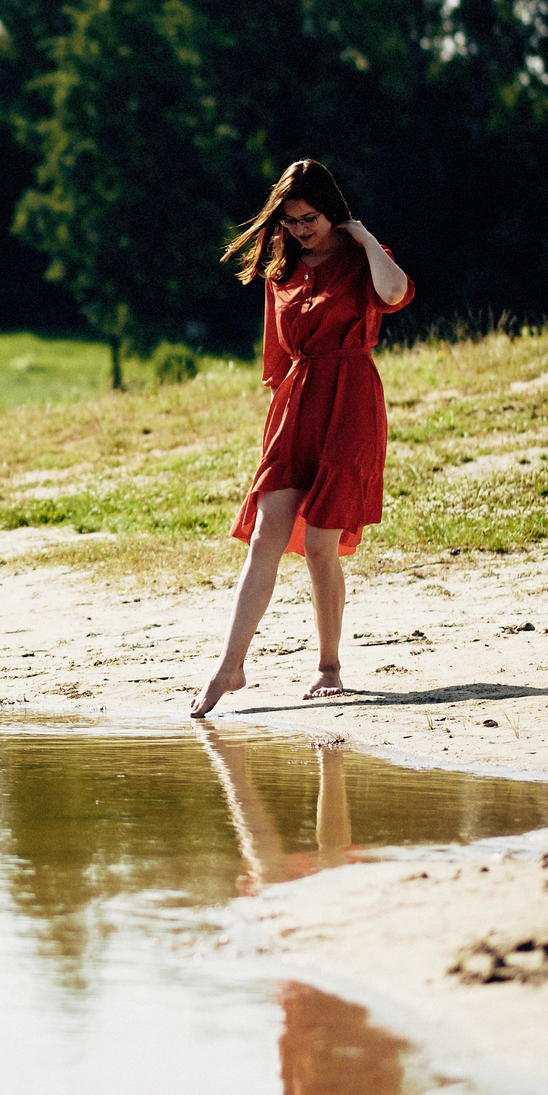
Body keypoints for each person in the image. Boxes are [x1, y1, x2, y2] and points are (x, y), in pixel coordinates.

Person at [190, 160, 413, 718]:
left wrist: (361, 238)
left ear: (330, 210)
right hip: (296, 405)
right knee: (267, 532)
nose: (299, 229)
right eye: (289, 221)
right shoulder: (280, 273)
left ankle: (329, 666)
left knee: (320, 544)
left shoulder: (363, 258)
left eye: (309, 218)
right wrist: (284, 417)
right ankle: (230, 666)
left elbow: (395, 293)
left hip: (352, 401)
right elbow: (276, 362)